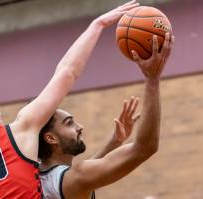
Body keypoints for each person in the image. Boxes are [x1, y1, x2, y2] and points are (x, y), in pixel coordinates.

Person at [0, 1, 140, 198]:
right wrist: (97, 25)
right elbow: (67, 72)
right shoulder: (16, 132)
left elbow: (71, 182)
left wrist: (113, 143)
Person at [39, 31, 174, 199]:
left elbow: (84, 174)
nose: (80, 127)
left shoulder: (38, 176)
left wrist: (115, 141)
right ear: (51, 138)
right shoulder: (74, 178)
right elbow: (145, 148)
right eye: (69, 123)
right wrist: (152, 79)